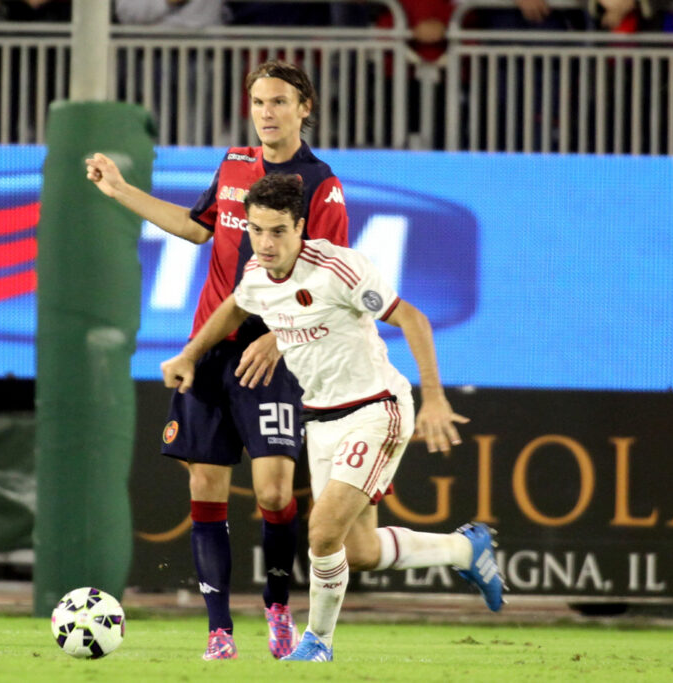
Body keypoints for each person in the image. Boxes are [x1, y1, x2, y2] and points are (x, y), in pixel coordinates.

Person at [160, 173, 505, 662]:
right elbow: (234, 308)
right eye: (257, 230)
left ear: (300, 225)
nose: (266, 242)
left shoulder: (339, 269)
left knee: (321, 532)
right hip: (320, 422)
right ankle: (465, 551)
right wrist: (189, 355)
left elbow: (412, 318)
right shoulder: (258, 275)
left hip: (375, 408)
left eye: (278, 230)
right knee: (358, 550)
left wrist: (434, 398)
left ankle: (316, 643)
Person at [85, 59, 349, 660]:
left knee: (276, 494)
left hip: (274, 354)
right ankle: (219, 631)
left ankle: (278, 608)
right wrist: (122, 190)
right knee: (205, 484)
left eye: (280, 102)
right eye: (259, 102)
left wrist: (280, 337)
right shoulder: (233, 166)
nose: (267, 113)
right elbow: (197, 227)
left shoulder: (323, 186)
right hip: (210, 349)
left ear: (305, 108)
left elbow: (334, 281)